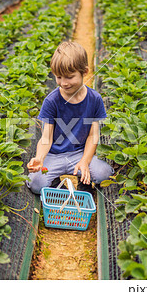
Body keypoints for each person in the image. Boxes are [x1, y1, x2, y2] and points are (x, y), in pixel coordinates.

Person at [26, 41, 114, 194]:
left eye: (69, 77)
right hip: (53, 156)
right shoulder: (51, 101)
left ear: (84, 72)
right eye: (59, 77)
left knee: (103, 175)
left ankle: (83, 180)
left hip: (79, 154)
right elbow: (46, 137)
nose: (64, 83)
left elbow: (93, 136)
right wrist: (40, 158)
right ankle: (53, 181)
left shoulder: (94, 99)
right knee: (36, 183)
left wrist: (85, 162)